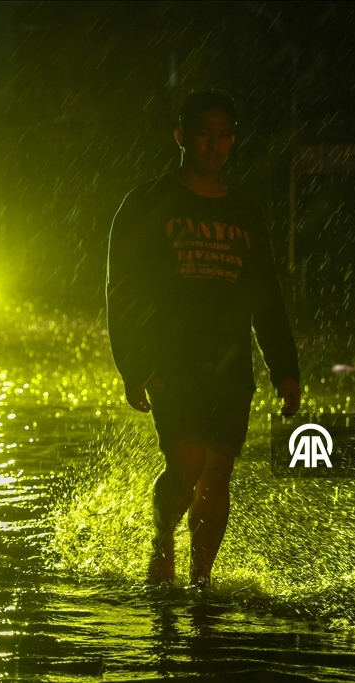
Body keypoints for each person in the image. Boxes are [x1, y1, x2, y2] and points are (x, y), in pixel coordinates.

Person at [106, 90, 301, 588]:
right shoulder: (147, 203)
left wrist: (286, 370)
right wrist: (134, 364)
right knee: (187, 462)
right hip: (172, 359)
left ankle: (201, 584)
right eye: (204, 134)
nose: (215, 146)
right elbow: (121, 292)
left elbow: (267, 297)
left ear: (233, 140)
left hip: (231, 365)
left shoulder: (246, 213)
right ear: (181, 137)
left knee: (217, 477)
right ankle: (162, 543)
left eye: (225, 135)